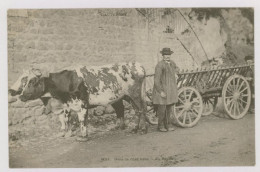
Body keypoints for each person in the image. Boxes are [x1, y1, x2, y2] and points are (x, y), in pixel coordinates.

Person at [152, 48, 179, 132]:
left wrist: (176, 72)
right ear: (163, 56)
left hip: (170, 90)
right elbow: (156, 80)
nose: (167, 56)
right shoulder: (160, 65)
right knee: (162, 109)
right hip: (162, 90)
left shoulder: (172, 63)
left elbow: (177, 68)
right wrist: (160, 91)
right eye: (166, 55)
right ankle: (160, 126)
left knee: (169, 108)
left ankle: (168, 125)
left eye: (169, 55)